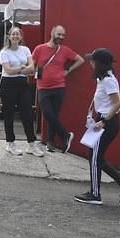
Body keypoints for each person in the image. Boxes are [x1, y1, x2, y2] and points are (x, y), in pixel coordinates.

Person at [75, 47, 120, 205]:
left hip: (107, 122)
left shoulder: (109, 80)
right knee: (95, 157)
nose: (90, 63)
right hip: (100, 119)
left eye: (92, 61)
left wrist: (104, 121)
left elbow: (117, 104)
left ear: (99, 64)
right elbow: (100, 98)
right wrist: (91, 113)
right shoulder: (101, 78)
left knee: (95, 158)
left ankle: (95, 195)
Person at [32, 24, 84, 152]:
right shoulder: (39, 49)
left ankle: (50, 142)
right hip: (43, 87)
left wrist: (68, 70)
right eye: (59, 34)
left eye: (63, 35)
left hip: (59, 87)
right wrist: (32, 72)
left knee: (53, 115)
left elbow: (80, 60)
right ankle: (66, 135)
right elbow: (32, 64)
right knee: (48, 114)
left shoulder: (65, 50)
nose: (61, 37)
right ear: (52, 33)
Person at [0, 25, 44, 157]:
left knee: (27, 114)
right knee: (9, 114)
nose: (15, 36)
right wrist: (22, 68)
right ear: (9, 36)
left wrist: (19, 69)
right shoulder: (4, 52)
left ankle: (31, 144)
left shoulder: (25, 49)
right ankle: (10, 143)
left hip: (23, 83)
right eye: (13, 34)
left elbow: (32, 67)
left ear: (21, 37)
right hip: (8, 84)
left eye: (18, 34)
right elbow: (8, 70)